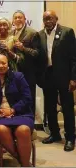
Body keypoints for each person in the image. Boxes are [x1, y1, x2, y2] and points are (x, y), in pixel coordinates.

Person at [0, 51, 34, 167]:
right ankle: (23, 161)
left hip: (21, 113)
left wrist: (13, 110)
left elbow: (27, 98)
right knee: (0, 129)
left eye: (3, 63)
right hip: (1, 114)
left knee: (23, 130)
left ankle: (24, 165)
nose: (1, 66)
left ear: (8, 64)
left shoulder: (18, 77)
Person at [38, 10, 76, 151]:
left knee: (67, 108)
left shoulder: (67, 32)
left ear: (56, 19)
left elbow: (74, 58)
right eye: (45, 19)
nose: (47, 21)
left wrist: (73, 78)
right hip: (47, 76)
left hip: (64, 76)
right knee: (50, 107)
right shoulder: (40, 34)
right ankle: (55, 134)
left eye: (50, 18)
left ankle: (70, 138)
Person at [11, 10, 40, 115]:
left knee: (29, 98)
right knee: (16, 99)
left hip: (28, 73)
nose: (18, 19)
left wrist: (23, 48)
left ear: (25, 19)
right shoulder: (10, 33)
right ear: (13, 21)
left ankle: (30, 125)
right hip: (14, 72)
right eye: (16, 18)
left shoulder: (32, 33)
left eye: (20, 17)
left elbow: (37, 53)